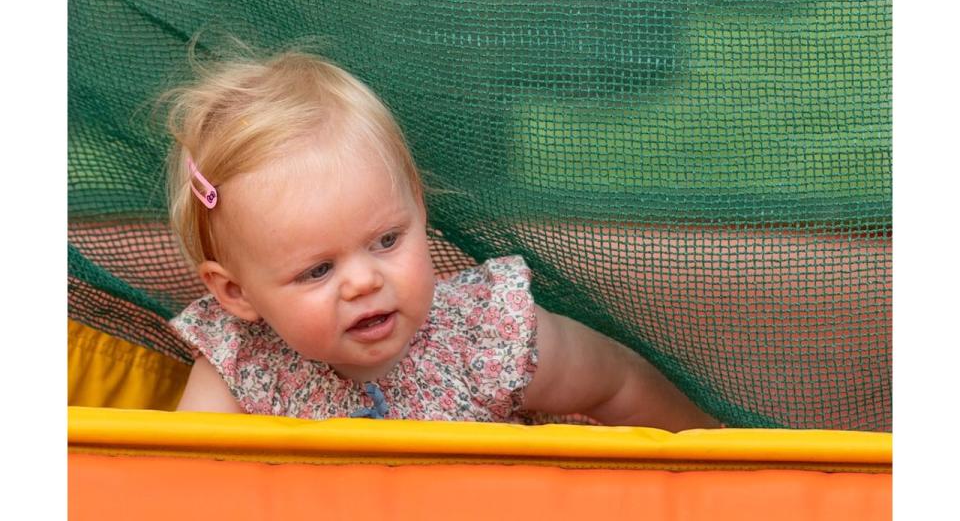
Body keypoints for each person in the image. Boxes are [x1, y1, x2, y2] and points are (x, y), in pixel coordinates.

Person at [163, 46, 719, 431]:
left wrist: (714, 463)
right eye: (317, 270)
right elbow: (185, 485)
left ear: (419, 212)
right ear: (235, 294)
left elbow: (618, 384)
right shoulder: (240, 365)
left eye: (385, 240)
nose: (364, 282)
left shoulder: (487, 336)